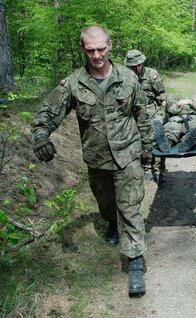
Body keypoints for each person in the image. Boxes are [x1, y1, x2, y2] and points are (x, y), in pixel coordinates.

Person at [31, 26, 153, 297]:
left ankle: (134, 262)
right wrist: (41, 136)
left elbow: (142, 113)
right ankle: (111, 221)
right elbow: (48, 113)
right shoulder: (74, 83)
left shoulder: (129, 78)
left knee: (131, 208)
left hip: (127, 155)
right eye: (90, 50)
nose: (96, 55)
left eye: (101, 48)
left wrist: (147, 148)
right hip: (97, 160)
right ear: (83, 49)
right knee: (107, 205)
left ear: (110, 46)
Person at [124, 49, 167, 183]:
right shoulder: (125, 77)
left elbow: (161, 96)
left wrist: (162, 114)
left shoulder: (151, 74)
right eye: (133, 66)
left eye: (139, 64)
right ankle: (146, 166)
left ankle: (160, 169)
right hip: (134, 112)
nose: (137, 68)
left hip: (152, 111)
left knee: (158, 136)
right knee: (139, 140)